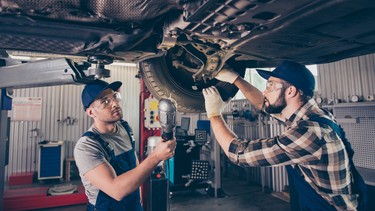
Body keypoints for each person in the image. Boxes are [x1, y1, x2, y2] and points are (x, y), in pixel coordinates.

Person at [202, 61, 366, 210]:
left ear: (291, 91)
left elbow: (238, 154)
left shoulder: (310, 133)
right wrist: (236, 79)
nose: (265, 91)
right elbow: (263, 104)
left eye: (271, 86)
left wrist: (214, 114)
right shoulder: (313, 115)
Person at [74, 80, 176, 210]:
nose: (115, 104)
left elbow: (134, 163)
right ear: (90, 112)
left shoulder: (124, 128)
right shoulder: (87, 146)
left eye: (115, 97)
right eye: (105, 101)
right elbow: (116, 190)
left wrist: (139, 201)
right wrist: (156, 156)